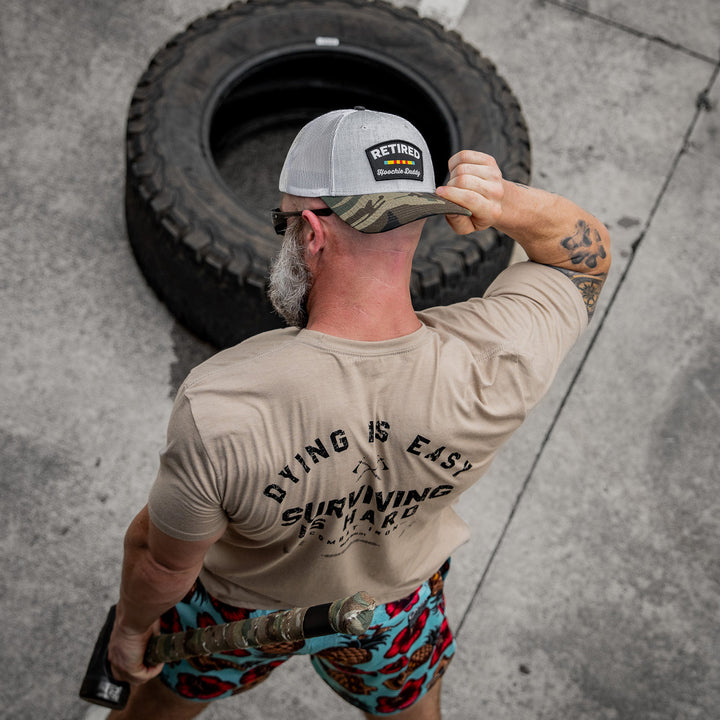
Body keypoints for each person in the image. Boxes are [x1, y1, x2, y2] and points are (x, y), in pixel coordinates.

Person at [106, 107, 610, 719]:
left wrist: (130, 631)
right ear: (417, 224)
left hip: (239, 613)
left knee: (156, 710)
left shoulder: (222, 405)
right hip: (393, 607)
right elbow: (582, 257)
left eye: (283, 222)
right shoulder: (500, 361)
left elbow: (162, 560)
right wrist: (503, 202)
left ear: (312, 233)